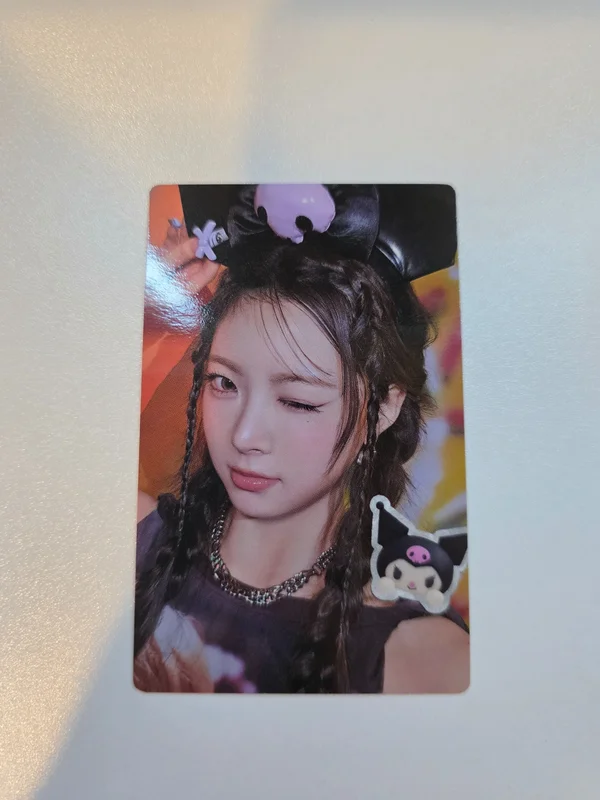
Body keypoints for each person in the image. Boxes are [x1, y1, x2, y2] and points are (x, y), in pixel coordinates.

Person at [135, 184, 469, 694]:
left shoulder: (425, 663)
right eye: (223, 383)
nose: (245, 435)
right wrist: (133, 325)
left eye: (297, 402)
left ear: (383, 409)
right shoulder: (128, 542)